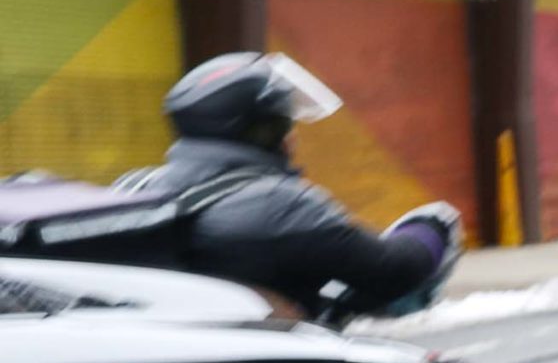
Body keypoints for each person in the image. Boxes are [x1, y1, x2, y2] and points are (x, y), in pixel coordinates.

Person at [120, 52, 460, 317]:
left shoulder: (135, 188)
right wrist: (433, 224)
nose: (293, 136)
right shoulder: (279, 206)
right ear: (263, 131)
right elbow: (394, 270)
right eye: (285, 123)